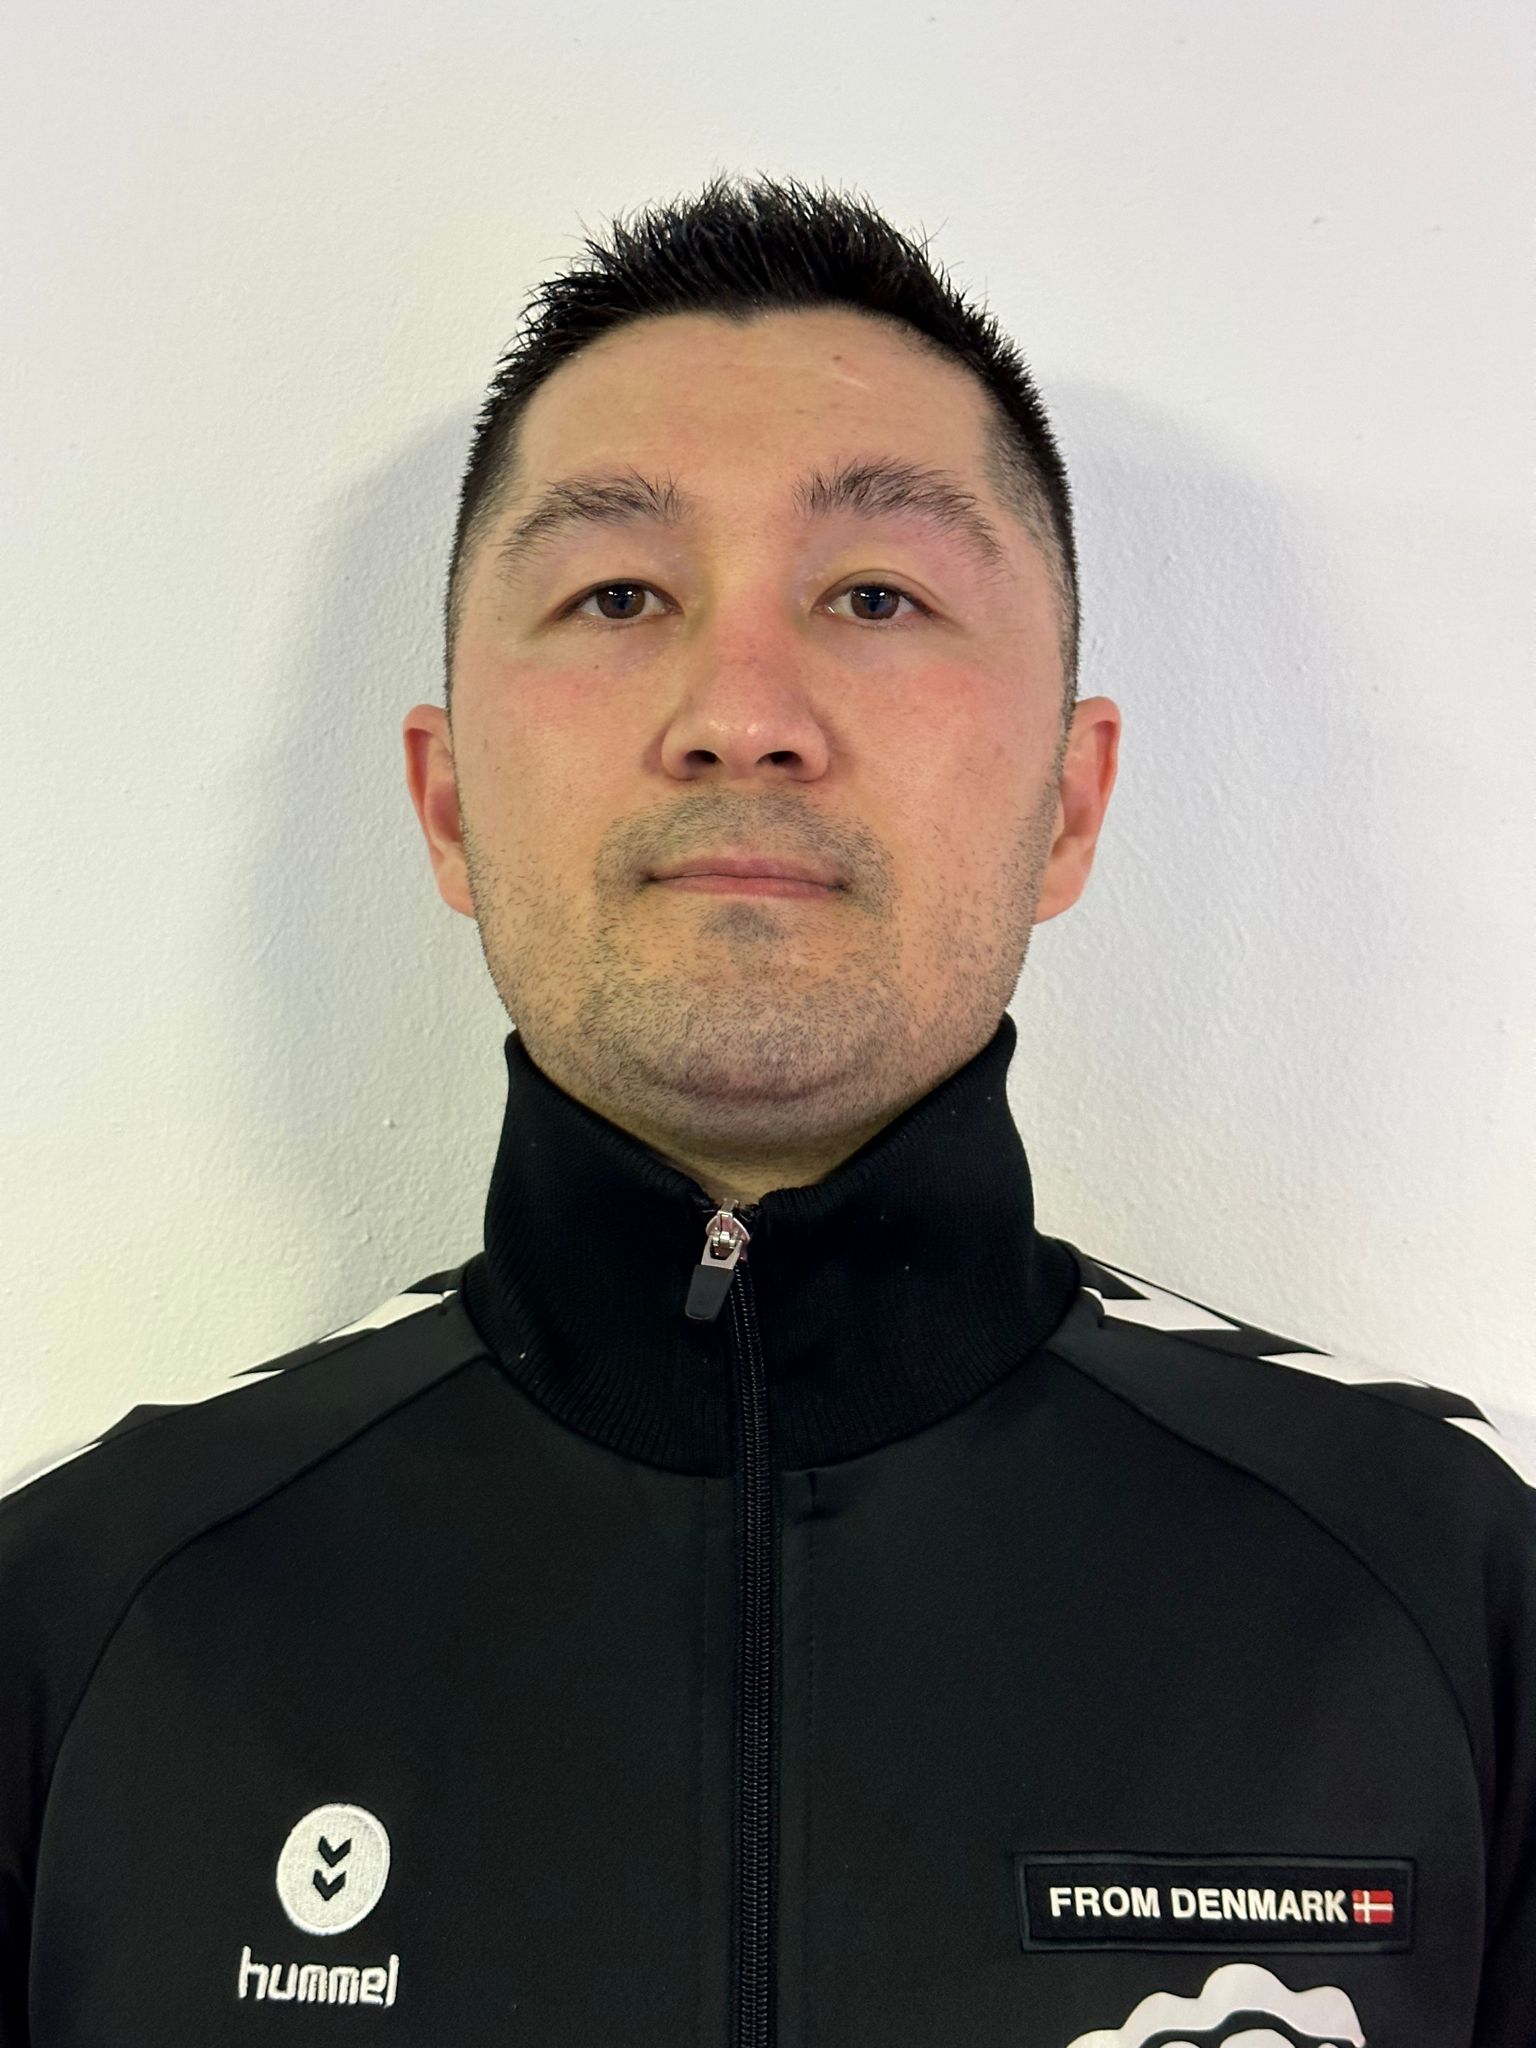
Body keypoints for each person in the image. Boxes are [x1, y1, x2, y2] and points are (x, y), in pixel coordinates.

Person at [1, 172, 1531, 2048]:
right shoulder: (76, 1626)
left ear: (1068, 802)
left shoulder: (1459, 1595)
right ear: (449, 803)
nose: (742, 710)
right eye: (619, 592)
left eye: (876, 594)